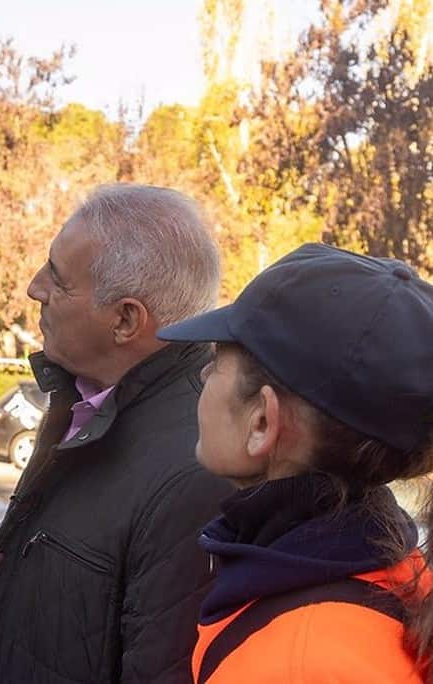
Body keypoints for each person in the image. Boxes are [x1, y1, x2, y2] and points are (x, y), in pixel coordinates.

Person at [0, 184, 234, 683]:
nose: (34, 288)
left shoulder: (196, 468)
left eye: (58, 279)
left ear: (125, 319)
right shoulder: (88, 403)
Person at [157, 243, 433, 683]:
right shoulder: (384, 568)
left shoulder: (301, 662)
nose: (205, 377)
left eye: (215, 362)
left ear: (262, 423)